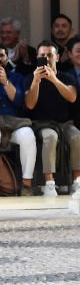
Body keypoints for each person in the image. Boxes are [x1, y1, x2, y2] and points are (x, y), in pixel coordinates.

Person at [26, 41, 80, 196]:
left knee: (77, 136)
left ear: (57, 57)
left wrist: (54, 79)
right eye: (42, 55)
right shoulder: (31, 78)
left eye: (49, 55)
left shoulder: (67, 76)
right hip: (43, 124)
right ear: (37, 58)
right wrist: (36, 81)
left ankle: (77, 181)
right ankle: (49, 183)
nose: (46, 58)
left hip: (65, 123)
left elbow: (72, 97)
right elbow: (30, 104)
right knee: (50, 137)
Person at [0, 49, 38, 195]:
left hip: (14, 123)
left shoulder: (17, 77)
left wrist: (5, 82)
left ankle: (26, 185)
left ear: (6, 58)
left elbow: (19, 101)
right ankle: (6, 184)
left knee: (28, 135)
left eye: (1, 55)